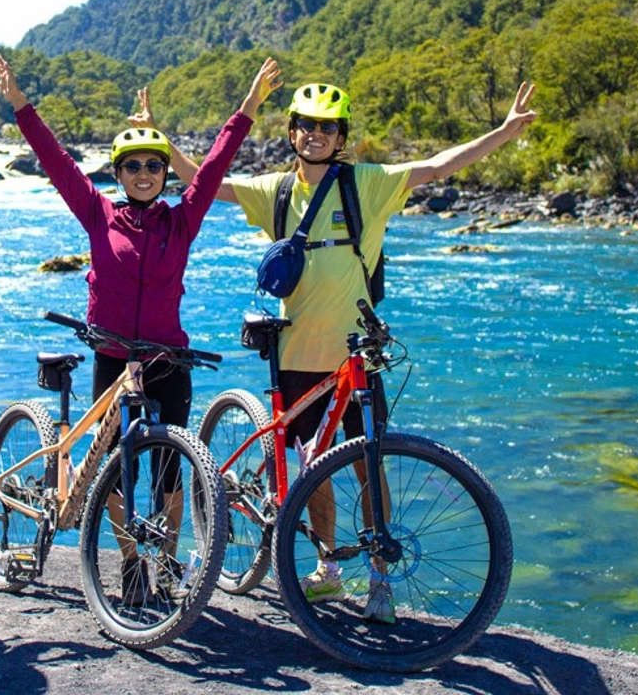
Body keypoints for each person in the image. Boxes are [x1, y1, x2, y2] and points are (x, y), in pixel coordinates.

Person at [152, 78, 537, 622]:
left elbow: (436, 167)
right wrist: (159, 138)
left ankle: (381, 580)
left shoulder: (366, 185)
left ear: (340, 136)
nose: (315, 134)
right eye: (306, 125)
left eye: (327, 127)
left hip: (355, 355)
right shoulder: (276, 190)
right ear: (292, 133)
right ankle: (328, 568)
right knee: (312, 467)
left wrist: (502, 133)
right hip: (295, 353)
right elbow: (205, 182)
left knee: (367, 465)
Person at [0, 52, 280, 602]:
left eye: (153, 166)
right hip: (114, 359)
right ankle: (129, 564)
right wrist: (20, 104)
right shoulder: (98, 213)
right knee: (116, 471)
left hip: (168, 360)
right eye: (132, 167)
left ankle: (165, 565)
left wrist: (248, 107)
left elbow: (215, 165)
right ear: (118, 174)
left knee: (170, 470)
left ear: (164, 173)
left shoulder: (182, 219)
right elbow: (56, 162)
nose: (143, 174)